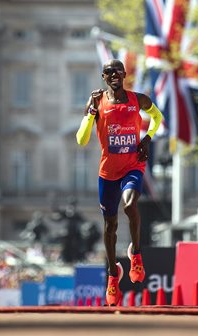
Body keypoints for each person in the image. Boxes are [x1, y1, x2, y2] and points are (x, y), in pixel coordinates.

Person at [75, 59, 162, 306]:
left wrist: (147, 139)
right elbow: (81, 140)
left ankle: (135, 253)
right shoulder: (96, 102)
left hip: (133, 166)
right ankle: (114, 275)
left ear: (124, 74)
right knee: (109, 226)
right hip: (108, 173)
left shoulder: (139, 100)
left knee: (130, 205)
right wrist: (91, 112)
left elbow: (157, 117)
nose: (114, 75)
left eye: (118, 71)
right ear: (103, 77)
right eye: (109, 72)